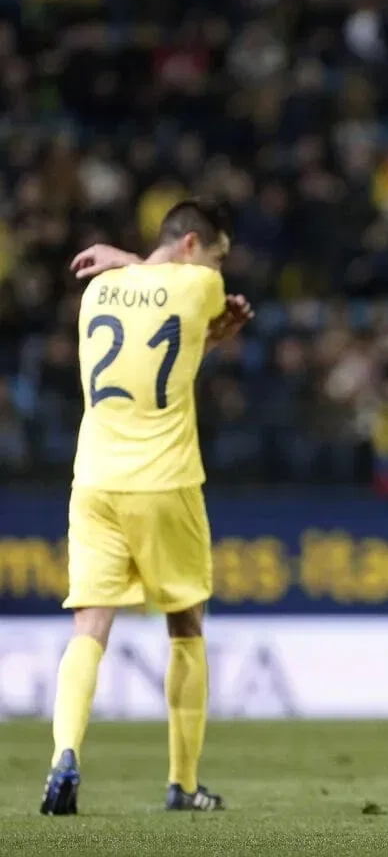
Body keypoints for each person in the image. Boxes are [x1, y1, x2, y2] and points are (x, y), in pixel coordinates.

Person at [41, 199, 253, 815]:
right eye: (214, 255)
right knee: (185, 625)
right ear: (191, 245)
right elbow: (179, 302)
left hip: (94, 482)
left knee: (89, 627)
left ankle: (63, 755)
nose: (217, 269)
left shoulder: (97, 292)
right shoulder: (200, 284)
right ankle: (183, 784)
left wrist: (125, 263)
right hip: (165, 481)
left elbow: (157, 354)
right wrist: (154, 268)